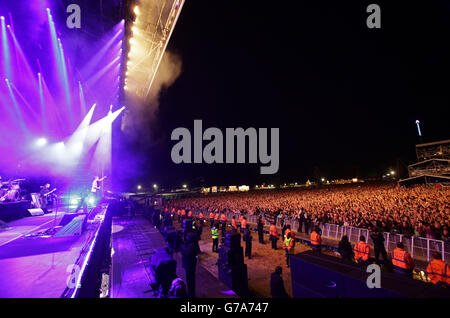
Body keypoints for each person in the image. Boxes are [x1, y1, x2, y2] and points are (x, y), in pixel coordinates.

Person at [181, 232, 198, 298]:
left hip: (190, 265)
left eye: (187, 237)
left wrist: (181, 244)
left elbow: (186, 252)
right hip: (189, 265)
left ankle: (192, 294)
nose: (186, 238)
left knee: (190, 280)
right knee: (189, 280)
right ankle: (191, 293)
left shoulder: (192, 245)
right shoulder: (190, 244)